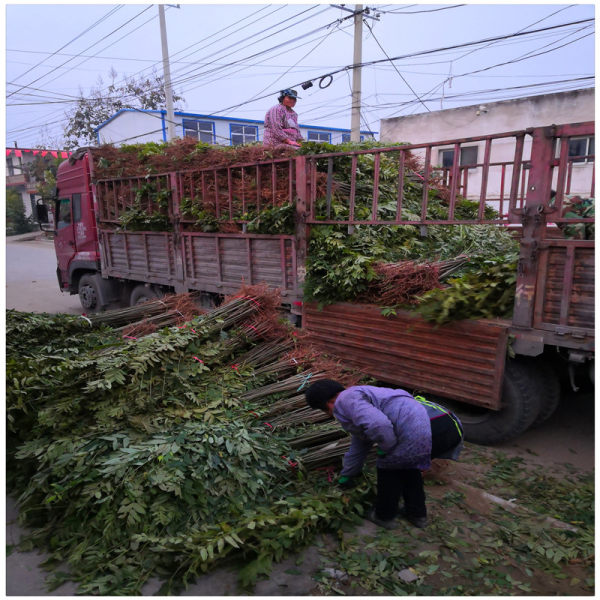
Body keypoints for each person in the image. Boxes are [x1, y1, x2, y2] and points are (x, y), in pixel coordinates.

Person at [304, 380, 464, 529]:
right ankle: (417, 515)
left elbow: (379, 425)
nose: (330, 414)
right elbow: (359, 445)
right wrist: (348, 474)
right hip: (447, 424)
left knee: (388, 468)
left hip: (425, 426)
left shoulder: (345, 400)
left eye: (325, 411)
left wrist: (387, 447)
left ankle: (384, 516)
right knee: (409, 470)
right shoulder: (363, 398)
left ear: (328, 403)